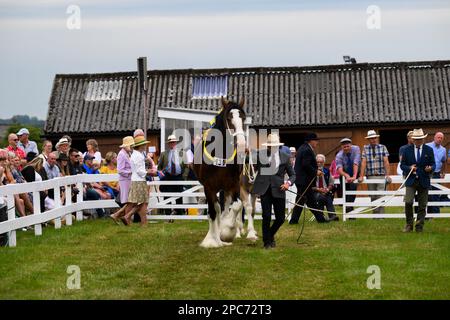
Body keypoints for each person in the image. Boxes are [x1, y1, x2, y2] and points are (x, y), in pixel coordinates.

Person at [252, 133, 295, 249]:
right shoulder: (260, 155)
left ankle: (269, 235)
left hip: (279, 189)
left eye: (275, 145)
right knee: (266, 216)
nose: (273, 147)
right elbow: (247, 159)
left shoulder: (285, 157)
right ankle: (267, 243)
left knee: (280, 218)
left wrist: (288, 183)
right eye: (271, 145)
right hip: (265, 189)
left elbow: (293, 175)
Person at [289, 132, 329, 224]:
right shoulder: (307, 149)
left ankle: (320, 219)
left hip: (303, 180)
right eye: (315, 141)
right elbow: (306, 164)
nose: (317, 143)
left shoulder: (303, 148)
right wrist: (316, 171)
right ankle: (294, 220)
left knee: (309, 201)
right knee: (302, 200)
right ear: (311, 141)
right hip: (304, 180)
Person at [400, 129, 435, 232]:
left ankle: (419, 226)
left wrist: (430, 168)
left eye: (420, 139)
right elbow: (402, 165)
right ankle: (409, 225)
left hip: (424, 180)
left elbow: (433, 164)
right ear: (413, 139)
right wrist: (409, 168)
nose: (418, 141)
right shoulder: (406, 150)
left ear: (423, 139)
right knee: (408, 202)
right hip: (411, 180)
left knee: (422, 204)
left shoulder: (429, 150)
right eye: (416, 139)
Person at [123, 136, 154, 226]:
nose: (145, 146)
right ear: (140, 146)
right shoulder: (139, 156)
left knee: (139, 202)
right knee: (143, 202)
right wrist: (149, 172)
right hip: (139, 181)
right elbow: (140, 171)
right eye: (144, 144)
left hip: (135, 180)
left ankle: (142, 222)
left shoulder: (134, 154)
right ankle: (128, 216)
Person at [358, 130, 391, 215]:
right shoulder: (365, 148)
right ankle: (375, 215)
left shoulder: (382, 147)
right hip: (370, 175)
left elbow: (386, 161)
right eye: (371, 138)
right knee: (372, 196)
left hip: (381, 175)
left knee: (381, 195)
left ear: (376, 138)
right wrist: (361, 176)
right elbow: (363, 162)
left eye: (374, 138)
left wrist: (388, 175)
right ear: (368, 139)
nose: (373, 140)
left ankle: (381, 215)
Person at [157, 135, 189, 216]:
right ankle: (168, 213)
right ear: (168, 144)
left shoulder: (182, 153)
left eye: (174, 142)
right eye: (171, 142)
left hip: (179, 177)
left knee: (179, 196)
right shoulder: (164, 154)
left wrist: (183, 176)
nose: (172, 144)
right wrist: (161, 174)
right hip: (168, 177)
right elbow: (159, 167)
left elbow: (186, 166)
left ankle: (179, 214)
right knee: (167, 195)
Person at [110, 137, 138, 225]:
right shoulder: (122, 154)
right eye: (130, 145)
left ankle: (118, 215)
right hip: (125, 180)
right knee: (129, 200)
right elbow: (120, 170)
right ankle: (124, 218)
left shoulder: (126, 153)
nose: (132, 147)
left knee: (131, 200)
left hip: (128, 180)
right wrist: (131, 172)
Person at [335, 138, 361, 213]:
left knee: (353, 189)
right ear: (341, 147)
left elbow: (356, 162)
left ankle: (349, 208)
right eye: (344, 147)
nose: (346, 148)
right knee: (345, 192)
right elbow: (339, 169)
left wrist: (354, 176)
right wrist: (346, 175)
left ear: (351, 145)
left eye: (347, 146)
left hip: (355, 172)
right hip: (344, 173)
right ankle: (348, 211)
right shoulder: (339, 155)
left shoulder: (356, 149)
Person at [426, 132, 447, 214]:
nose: (440, 139)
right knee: (428, 193)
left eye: (441, 138)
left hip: (437, 173)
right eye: (438, 137)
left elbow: (444, 161)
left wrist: (443, 172)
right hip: (427, 173)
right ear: (434, 138)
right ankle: (429, 213)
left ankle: (436, 213)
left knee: (436, 193)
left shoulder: (443, 149)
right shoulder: (427, 146)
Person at [313, 154, 339, 221]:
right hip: (315, 192)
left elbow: (331, 183)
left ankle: (332, 216)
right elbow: (309, 186)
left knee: (328, 197)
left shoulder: (327, 171)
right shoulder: (312, 171)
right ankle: (321, 216)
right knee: (321, 197)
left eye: (321, 162)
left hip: (325, 191)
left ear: (323, 163)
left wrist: (327, 189)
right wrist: (318, 189)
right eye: (317, 162)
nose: (319, 164)